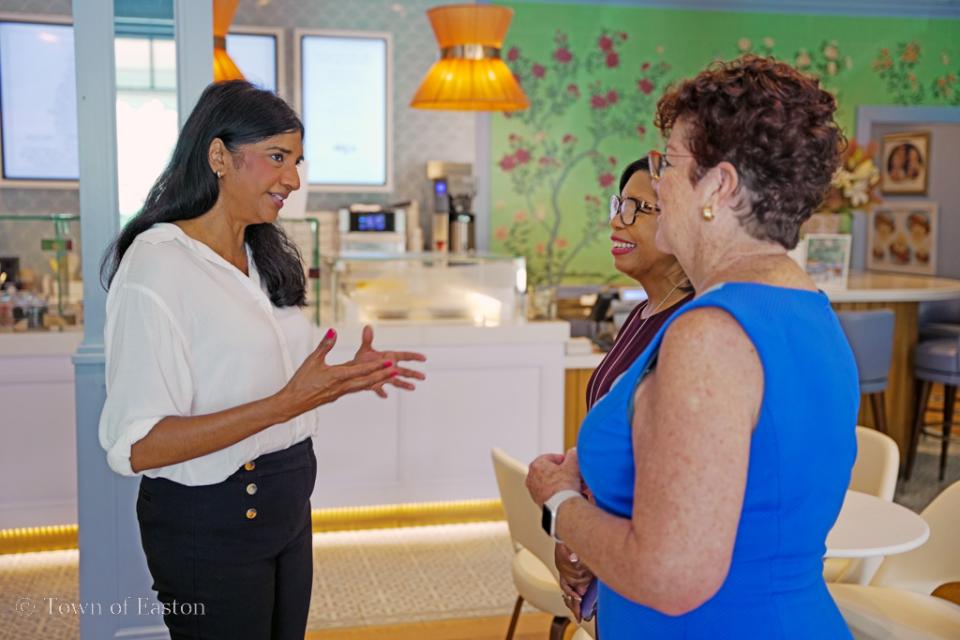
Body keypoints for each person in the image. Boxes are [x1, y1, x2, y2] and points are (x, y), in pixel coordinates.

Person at [527, 56, 859, 638]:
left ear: (720, 187)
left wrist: (560, 506)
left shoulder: (709, 333)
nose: (655, 181)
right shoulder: (808, 309)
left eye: (668, 164)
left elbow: (673, 575)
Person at [98, 80, 426, 640]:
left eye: (297, 161)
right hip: (212, 524)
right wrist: (286, 404)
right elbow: (139, 446)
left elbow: (271, 384)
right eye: (277, 158)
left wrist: (336, 381)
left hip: (288, 506)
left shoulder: (259, 253)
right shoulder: (158, 265)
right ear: (218, 155)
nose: (293, 180)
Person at [553, 157, 693, 623]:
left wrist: (570, 518)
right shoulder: (644, 311)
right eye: (619, 204)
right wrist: (574, 534)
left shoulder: (689, 327)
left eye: (638, 208)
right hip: (607, 546)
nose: (617, 220)